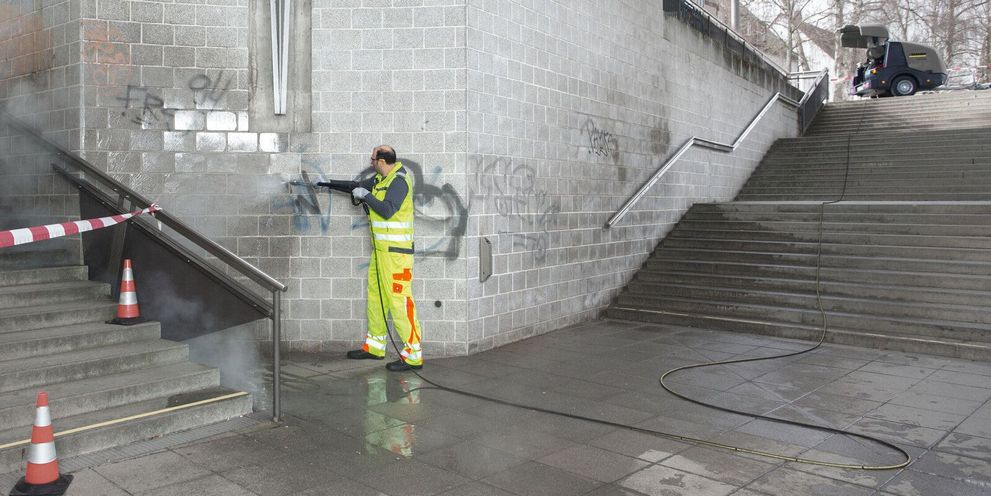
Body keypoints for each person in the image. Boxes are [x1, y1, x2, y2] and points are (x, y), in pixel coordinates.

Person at [345, 146, 424, 371]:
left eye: (372, 159)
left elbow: (388, 210)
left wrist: (366, 196)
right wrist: (325, 183)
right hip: (380, 252)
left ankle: (413, 354)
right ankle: (375, 346)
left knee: (400, 301)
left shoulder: (398, 181)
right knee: (376, 298)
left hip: (397, 254)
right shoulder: (381, 179)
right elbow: (355, 187)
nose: (370, 162)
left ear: (381, 161)